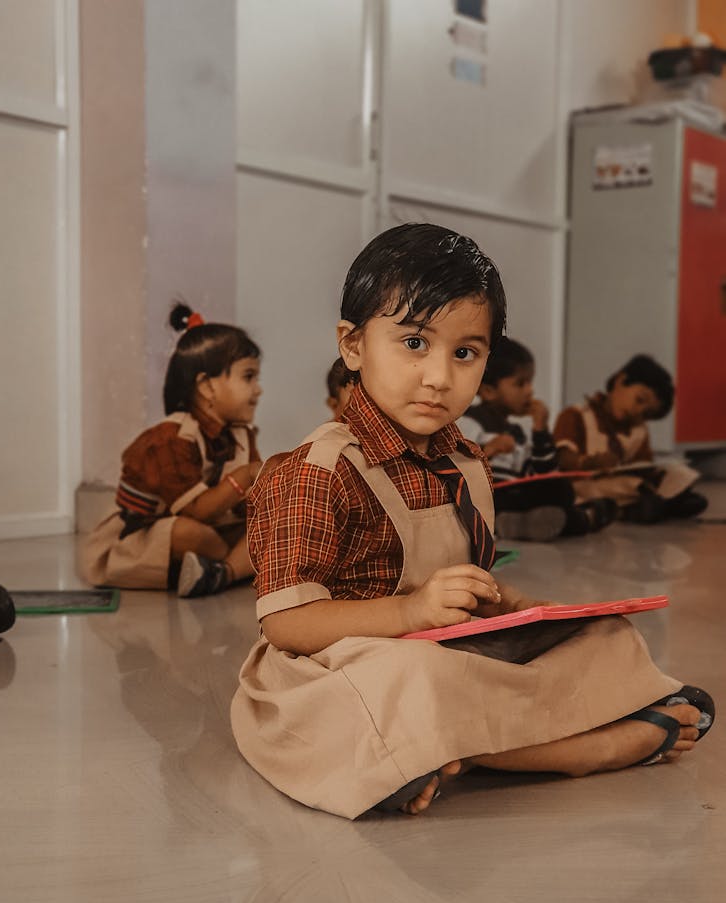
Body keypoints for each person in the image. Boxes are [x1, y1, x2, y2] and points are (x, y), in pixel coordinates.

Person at [230, 223, 714, 821]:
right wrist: (408, 613)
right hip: (337, 669)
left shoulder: (468, 463)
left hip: (446, 651)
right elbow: (286, 624)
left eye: (465, 353)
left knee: (606, 635)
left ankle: (446, 752)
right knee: (412, 679)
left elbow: (466, 582)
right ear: (352, 346)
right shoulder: (312, 471)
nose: (439, 376)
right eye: (414, 343)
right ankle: (590, 746)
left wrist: (509, 605)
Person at [81, 303, 263, 598]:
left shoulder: (241, 435)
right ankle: (234, 564)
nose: (258, 389)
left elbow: (249, 505)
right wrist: (247, 476)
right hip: (146, 533)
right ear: (206, 387)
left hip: (216, 527)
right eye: (248, 377)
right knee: (189, 533)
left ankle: (222, 573)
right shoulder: (170, 438)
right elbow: (196, 512)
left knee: (270, 528)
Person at [458, 338, 616, 541]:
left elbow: (543, 472)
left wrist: (540, 429)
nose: (530, 391)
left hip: (515, 497)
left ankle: (514, 523)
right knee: (560, 500)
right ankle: (585, 517)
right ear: (488, 391)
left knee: (559, 488)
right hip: (486, 497)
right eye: (520, 384)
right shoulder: (471, 421)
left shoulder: (516, 431)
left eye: (530, 383)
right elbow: (456, 465)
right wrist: (488, 450)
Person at [554, 355, 708, 523]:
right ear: (621, 380)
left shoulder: (638, 431)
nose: (638, 411)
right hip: (587, 486)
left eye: (646, 414)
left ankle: (653, 505)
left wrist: (653, 472)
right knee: (627, 487)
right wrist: (587, 463)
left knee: (675, 471)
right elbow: (561, 456)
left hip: (624, 484)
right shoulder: (577, 415)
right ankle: (658, 506)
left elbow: (643, 464)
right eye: (640, 400)